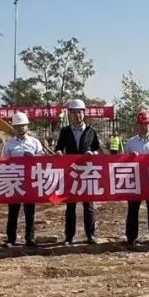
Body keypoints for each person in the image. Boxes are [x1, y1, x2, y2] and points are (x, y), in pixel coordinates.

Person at [55, 99, 102, 244]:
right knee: (71, 205)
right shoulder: (65, 131)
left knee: (89, 205)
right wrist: (58, 152)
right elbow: (59, 147)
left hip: (87, 171)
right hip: (71, 172)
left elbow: (98, 149)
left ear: (84, 113)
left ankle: (90, 235)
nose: (77, 115)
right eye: (74, 112)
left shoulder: (91, 131)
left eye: (80, 112)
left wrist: (93, 154)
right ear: (70, 114)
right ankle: (69, 236)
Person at [3, 112, 44, 247]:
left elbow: (43, 160)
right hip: (14, 181)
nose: (20, 128)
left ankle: (30, 238)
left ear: (27, 126)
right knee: (13, 211)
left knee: (29, 211)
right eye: (17, 126)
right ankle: (11, 238)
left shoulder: (35, 142)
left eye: (23, 126)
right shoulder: (9, 144)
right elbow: (3, 161)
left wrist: (33, 158)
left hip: (30, 181)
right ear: (14, 127)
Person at [125, 110, 149, 246]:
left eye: (147, 124)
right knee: (133, 209)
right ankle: (131, 237)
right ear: (137, 125)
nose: (144, 126)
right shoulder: (131, 142)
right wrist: (131, 157)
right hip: (135, 180)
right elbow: (124, 162)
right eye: (142, 124)